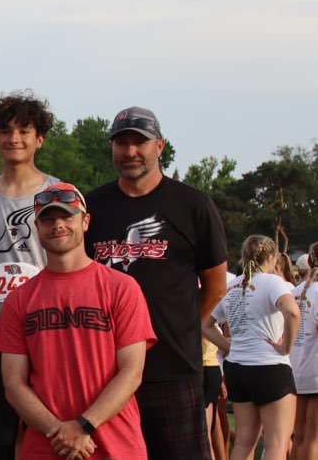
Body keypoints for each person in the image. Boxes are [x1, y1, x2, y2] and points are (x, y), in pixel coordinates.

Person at [83, 106, 229, 459]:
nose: (130, 151)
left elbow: (215, 283)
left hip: (173, 368)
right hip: (106, 372)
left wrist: (183, 327)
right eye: (122, 143)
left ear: (160, 146)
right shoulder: (93, 206)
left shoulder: (192, 204)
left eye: (140, 142)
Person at [0, 183, 157, 460]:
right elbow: (13, 384)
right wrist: (60, 432)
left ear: (85, 221)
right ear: (36, 226)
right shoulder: (19, 299)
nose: (57, 225)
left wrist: (84, 425)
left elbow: (131, 372)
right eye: (48, 219)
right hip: (47, 448)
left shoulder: (122, 288)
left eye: (67, 216)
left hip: (115, 448)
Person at [0, 91, 61, 458]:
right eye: (5, 131)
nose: (14, 138)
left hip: (48, 339)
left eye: (23, 130)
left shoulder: (59, 194)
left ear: (40, 138)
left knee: (48, 441)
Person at [202, 235, 299, 460]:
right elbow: (292, 312)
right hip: (270, 366)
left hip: (237, 368)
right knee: (277, 444)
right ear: (271, 257)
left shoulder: (231, 285)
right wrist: (286, 347)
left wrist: (228, 346)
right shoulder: (273, 282)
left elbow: (205, 323)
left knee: (244, 442)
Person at [293, 246, 318, 460]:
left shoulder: (296, 290)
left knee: (299, 435)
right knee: (313, 438)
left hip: (296, 368)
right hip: (315, 368)